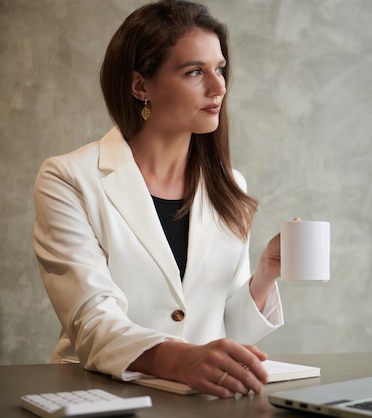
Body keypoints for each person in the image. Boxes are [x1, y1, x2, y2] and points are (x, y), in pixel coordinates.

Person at [33, 0, 284, 398]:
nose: (219, 86)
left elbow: (224, 332)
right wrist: (183, 360)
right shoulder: (69, 179)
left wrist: (266, 274)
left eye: (219, 69)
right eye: (194, 71)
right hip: (100, 395)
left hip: (201, 401)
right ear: (140, 86)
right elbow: (92, 321)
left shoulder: (229, 185)